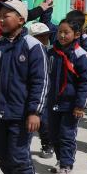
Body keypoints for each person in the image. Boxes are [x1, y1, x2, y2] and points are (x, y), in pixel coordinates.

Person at [0, 0, 47, 174]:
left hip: (22, 114)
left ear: (21, 20)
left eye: (7, 15)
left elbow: (41, 81)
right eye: (0, 16)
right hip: (1, 112)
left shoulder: (33, 46)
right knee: (2, 155)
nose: (1, 20)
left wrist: (34, 112)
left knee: (19, 156)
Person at [45, 19, 87, 174]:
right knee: (53, 134)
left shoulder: (81, 55)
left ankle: (66, 167)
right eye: (60, 32)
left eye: (67, 32)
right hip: (52, 102)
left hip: (71, 105)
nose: (62, 36)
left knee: (67, 135)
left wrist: (80, 105)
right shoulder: (51, 52)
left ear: (77, 34)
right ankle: (60, 160)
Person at [28, 22, 55, 160]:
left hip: (48, 92)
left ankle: (47, 144)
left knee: (44, 121)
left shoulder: (52, 51)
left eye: (46, 35)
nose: (44, 38)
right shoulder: (29, 51)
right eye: (40, 36)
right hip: (32, 92)